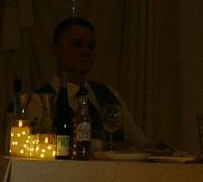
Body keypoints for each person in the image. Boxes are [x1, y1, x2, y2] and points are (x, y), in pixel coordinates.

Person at [29, 17, 145, 146]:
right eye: (76, 44)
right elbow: (44, 145)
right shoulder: (39, 101)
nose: (85, 52)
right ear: (56, 50)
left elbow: (139, 142)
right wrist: (106, 146)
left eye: (90, 46)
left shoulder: (110, 94)